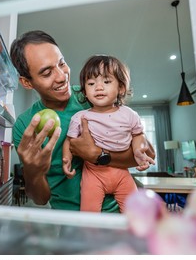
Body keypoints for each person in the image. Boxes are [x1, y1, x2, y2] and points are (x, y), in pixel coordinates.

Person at [10, 30, 155, 211]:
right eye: (47, 73)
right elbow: (40, 199)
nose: (62, 76)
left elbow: (148, 154)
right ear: (27, 83)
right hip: (72, 225)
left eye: (61, 63)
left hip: (119, 214)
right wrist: (33, 172)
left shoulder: (92, 95)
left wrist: (98, 155)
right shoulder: (25, 127)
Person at [62, 55, 155, 213]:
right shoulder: (80, 117)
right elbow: (69, 141)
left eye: (106, 81)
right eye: (91, 83)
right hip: (93, 174)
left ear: (121, 88)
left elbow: (138, 135)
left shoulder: (129, 114)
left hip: (122, 174)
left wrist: (139, 151)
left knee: (134, 215)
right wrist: (66, 159)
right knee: (89, 216)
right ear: (85, 92)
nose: (98, 87)